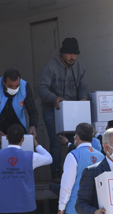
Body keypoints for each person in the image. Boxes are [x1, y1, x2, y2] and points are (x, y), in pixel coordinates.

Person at [37, 37, 88, 177]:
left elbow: (83, 87)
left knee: (76, 140)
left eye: (75, 54)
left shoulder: (80, 68)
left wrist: (83, 98)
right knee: (56, 141)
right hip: (53, 109)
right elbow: (41, 88)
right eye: (70, 53)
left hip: (73, 111)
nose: (73, 57)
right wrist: (54, 98)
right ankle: (56, 174)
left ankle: (76, 172)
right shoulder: (50, 67)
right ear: (62, 53)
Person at [0, 68, 39, 150]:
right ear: (3, 82)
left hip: (18, 125)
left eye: (17, 86)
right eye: (10, 86)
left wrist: (33, 126)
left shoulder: (24, 86)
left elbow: (32, 111)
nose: (14, 89)